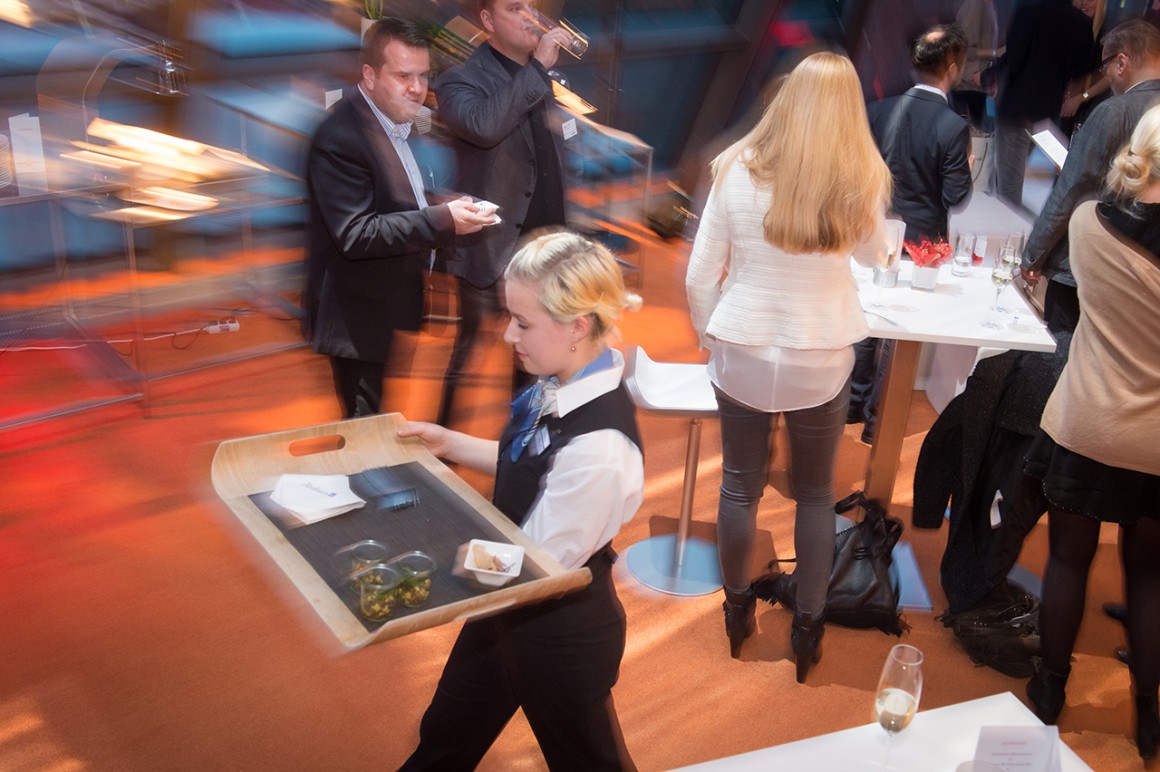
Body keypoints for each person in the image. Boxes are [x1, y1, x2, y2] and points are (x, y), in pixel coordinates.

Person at [398, 231, 643, 771]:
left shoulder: (600, 449)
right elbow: (535, 465)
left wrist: (428, 560)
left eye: (523, 323)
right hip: (503, 608)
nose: (508, 334)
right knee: (444, 738)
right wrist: (450, 443)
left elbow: (534, 564)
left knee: (587, 762)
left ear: (578, 326)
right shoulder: (564, 381)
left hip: (559, 634)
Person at [685, 52, 891, 679]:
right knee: (816, 493)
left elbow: (699, 276)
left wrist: (712, 338)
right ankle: (807, 628)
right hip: (818, 355)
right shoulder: (860, 176)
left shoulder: (736, 167)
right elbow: (876, 255)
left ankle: (737, 611)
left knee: (738, 487)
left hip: (743, 349)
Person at [1022, 103, 1160, 761]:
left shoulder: (1085, 223)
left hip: (1087, 421)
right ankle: (1149, 715)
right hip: (1155, 441)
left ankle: (1050, 689)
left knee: (1068, 561)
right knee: (1150, 579)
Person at [303, 18, 493, 418]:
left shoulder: (396, 124)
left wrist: (444, 204)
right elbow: (356, 233)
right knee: (366, 433)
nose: (417, 87)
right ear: (370, 75)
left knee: (381, 426)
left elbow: (393, 200)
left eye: (423, 75)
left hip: (386, 310)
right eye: (404, 76)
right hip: (356, 322)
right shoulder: (341, 136)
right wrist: (442, 219)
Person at [434, 0, 575, 427]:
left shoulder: (539, 78)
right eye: (515, 7)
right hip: (493, 245)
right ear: (488, 20)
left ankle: (522, 449)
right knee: (469, 354)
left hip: (544, 249)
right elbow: (483, 126)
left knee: (534, 359)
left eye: (532, 6)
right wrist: (538, 69)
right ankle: (441, 450)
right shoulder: (460, 79)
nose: (531, 16)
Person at [852, 24, 973, 441]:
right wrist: (968, 167)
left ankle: (852, 405)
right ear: (953, 68)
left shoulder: (878, 110)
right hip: (920, 244)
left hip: (871, 232)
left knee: (867, 320)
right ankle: (877, 423)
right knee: (899, 333)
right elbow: (956, 196)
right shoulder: (951, 126)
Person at [1023, 19, 1160, 334]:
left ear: (1121, 62)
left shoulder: (1113, 111)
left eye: (1105, 66)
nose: (1106, 75)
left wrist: (1033, 255)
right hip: (1145, 274)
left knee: (1064, 351)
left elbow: (1072, 189)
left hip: (1087, 262)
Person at [988, 0, 1092, 209]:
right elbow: (1082, 69)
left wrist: (990, 76)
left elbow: (1014, 59)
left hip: (1017, 106)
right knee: (1012, 178)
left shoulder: (1028, 12)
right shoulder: (1081, 22)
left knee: (1008, 187)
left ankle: (1006, 226)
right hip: (1048, 111)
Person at [1060, 0, 1110, 137]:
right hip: (1066, 103)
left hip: (1091, 104)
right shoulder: (1069, 28)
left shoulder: (1107, 34)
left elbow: (1108, 76)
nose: (1084, 3)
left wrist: (1081, 97)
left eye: (1091, 0)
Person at [954, 0, 1001, 128]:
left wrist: (991, 77)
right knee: (980, 134)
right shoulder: (973, 6)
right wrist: (996, 53)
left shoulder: (989, 5)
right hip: (969, 83)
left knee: (987, 132)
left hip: (981, 82)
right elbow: (962, 49)